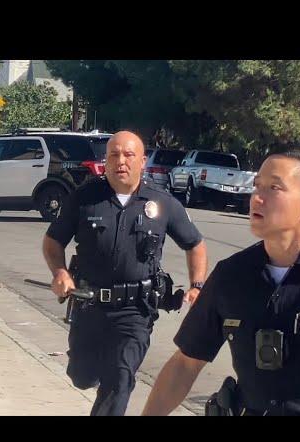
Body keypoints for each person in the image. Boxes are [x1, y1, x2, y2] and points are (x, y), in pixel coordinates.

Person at [42, 130, 207, 416]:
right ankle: (87, 370)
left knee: (119, 378)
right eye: (113, 155)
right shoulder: (84, 198)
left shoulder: (163, 203)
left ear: (142, 161)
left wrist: (197, 285)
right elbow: (52, 241)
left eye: (129, 155)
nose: (121, 161)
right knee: (81, 376)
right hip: (89, 304)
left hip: (136, 311)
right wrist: (60, 272)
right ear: (104, 161)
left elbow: (195, 244)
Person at [142, 144, 300, 416]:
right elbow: (186, 363)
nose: (257, 197)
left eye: (274, 188)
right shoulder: (231, 275)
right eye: (257, 186)